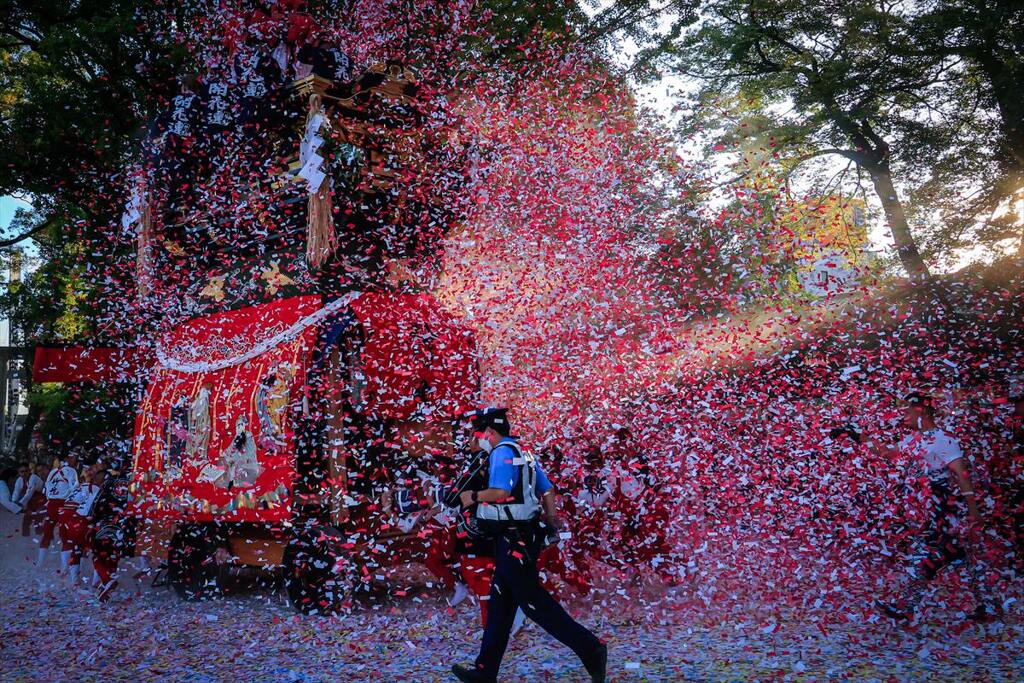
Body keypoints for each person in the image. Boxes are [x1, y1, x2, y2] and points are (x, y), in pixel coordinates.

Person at [451, 408, 606, 683]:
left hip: (514, 539)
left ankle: (590, 648)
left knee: (534, 603)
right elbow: (546, 490)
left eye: (478, 434)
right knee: (500, 605)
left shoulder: (500, 452)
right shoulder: (525, 453)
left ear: (489, 433)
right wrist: (551, 518)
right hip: (520, 536)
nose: (477, 439)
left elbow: (500, 492)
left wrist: (471, 496)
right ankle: (485, 671)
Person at [872, 391, 999, 622]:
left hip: (946, 507)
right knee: (962, 556)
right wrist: (858, 437)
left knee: (926, 554)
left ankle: (906, 608)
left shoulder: (944, 439)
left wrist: (973, 511)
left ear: (922, 411)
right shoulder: (914, 439)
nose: (904, 415)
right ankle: (988, 606)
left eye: (908, 410)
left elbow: (961, 474)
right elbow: (889, 454)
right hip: (931, 505)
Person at [58, 463, 104, 588]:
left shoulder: (75, 488)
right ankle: (95, 582)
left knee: (75, 548)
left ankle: (72, 578)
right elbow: (95, 509)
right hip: (79, 521)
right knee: (99, 549)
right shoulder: (94, 489)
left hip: (64, 521)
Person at [38, 452, 79, 569]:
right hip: (64, 504)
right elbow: (75, 488)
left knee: (47, 532)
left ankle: (40, 563)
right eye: (72, 457)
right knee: (65, 535)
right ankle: (64, 567)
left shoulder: (52, 472)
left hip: (51, 504)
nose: (74, 459)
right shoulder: (71, 471)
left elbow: (46, 490)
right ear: (66, 459)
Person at [13, 461, 45, 537]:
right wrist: (13, 502)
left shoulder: (33, 478)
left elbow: (29, 493)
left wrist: (20, 504)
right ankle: (26, 537)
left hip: (41, 499)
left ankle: (40, 537)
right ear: (19, 472)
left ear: (29, 471)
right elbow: (16, 492)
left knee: (38, 518)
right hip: (31, 500)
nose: (24, 474)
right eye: (21, 472)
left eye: (26, 471)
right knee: (27, 519)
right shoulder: (19, 480)